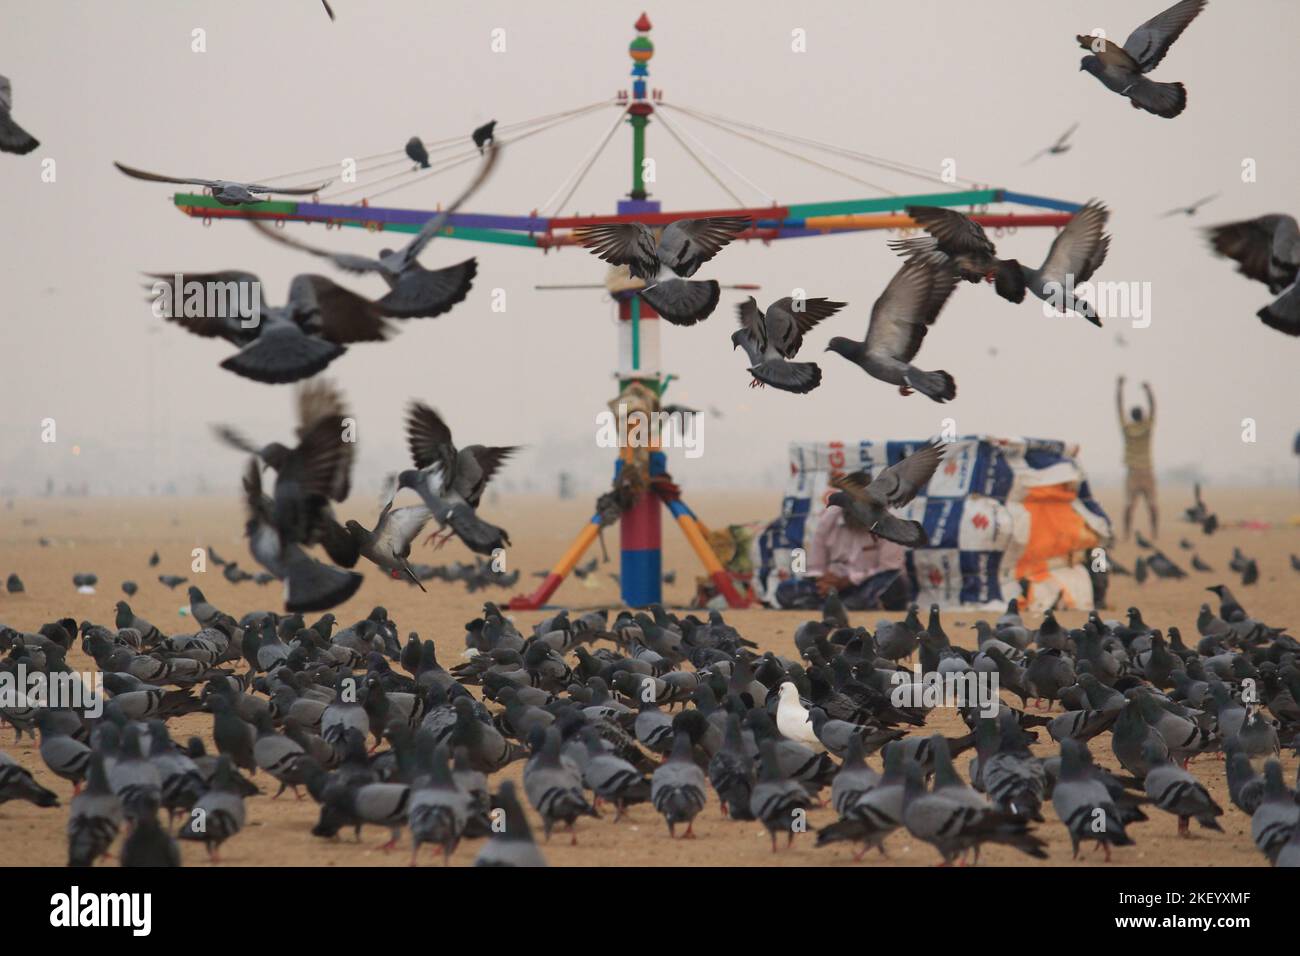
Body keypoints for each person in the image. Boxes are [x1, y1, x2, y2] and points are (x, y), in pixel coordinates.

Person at [774, 498, 910, 611]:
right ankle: (843, 605)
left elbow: (889, 568)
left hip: (867, 584)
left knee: (894, 583)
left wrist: (849, 580)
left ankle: (832, 606)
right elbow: (815, 566)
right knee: (785, 591)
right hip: (834, 587)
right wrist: (823, 581)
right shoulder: (829, 519)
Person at [1117, 375, 1157, 540]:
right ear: (1143, 416)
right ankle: (1155, 533)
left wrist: (1119, 388)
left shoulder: (1127, 429)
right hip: (1147, 470)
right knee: (1152, 505)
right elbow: (1154, 407)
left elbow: (1118, 407)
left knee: (1129, 505)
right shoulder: (1147, 428)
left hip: (1132, 472)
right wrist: (1149, 391)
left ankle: (1126, 533)